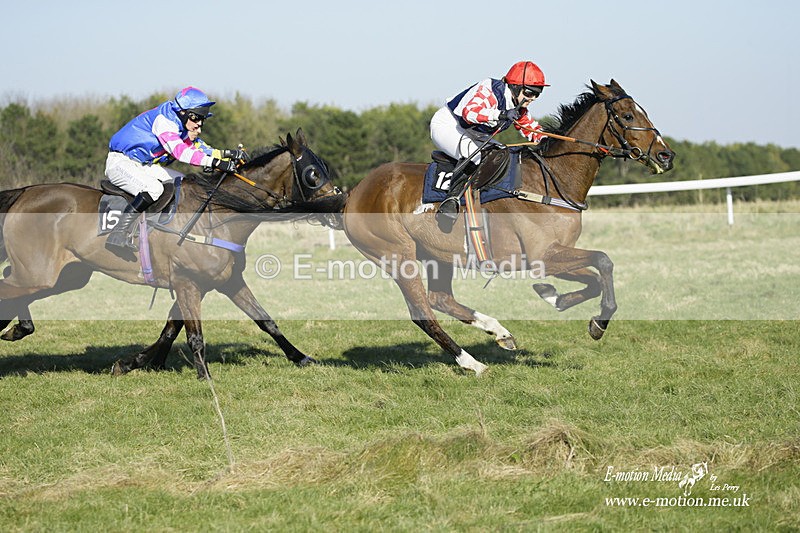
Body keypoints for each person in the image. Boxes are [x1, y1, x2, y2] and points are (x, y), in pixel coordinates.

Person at [104, 86, 248, 255]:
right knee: (154, 189)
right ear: (185, 112)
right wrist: (216, 162)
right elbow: (180, 152)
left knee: (183, 181)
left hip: (143, 165)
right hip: (120, 163)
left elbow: (198, 147)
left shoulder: (179, 124)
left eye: (202, 119)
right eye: (198, 118)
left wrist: (226, 155)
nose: (200, 124)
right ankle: (118, 233)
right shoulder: (164, 121)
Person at [430, 61, 548, 227]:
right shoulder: (489, 89)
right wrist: (501, 114)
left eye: (538, 93)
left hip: (474, 133)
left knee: (502, 154)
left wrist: (549, 140)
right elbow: (469, 113)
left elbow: (530, 129)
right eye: (529, 92)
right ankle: (450, 201)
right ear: (514, 86)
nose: (533, 98)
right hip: (449, 125)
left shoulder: (518, 105)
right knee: (476, 157)